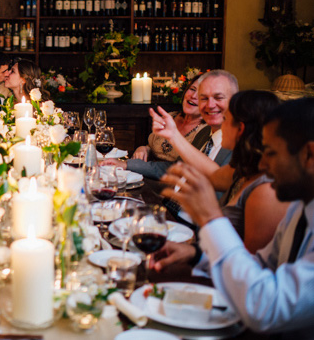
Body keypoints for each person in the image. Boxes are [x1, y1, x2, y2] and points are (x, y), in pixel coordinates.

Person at [160, 98, 314, 338]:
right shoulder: (301, 209)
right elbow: (261, 267)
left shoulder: (273, 194)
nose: (263, 163)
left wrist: (211, 219)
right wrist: (196, 255)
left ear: (309, 154)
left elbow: (264, 307)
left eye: (271, 153)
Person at [152, 90, 288, 272]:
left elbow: (249, 272)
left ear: (240, 129)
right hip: (210, 264)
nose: (219, 126)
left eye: (225, 120)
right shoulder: (243, 169)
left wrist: (207, 214)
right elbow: (213, 176)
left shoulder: (265, 191)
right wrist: (194, 253)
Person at [106, 70, 238, 180]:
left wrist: (174, 136)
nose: (210, 105)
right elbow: (176, 167)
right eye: (204, 98)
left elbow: (220, 181)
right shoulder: (205, 134)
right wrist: (127, 163)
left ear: (234, 100)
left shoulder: (237, 144)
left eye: (218, 97)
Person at [131, 75, 207, 162]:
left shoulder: (206, 131)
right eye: (192, 89)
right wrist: (143, 149)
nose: (193, 96)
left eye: (201, 94)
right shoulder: (170, 117)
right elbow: (152, 147)